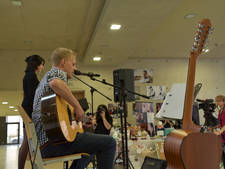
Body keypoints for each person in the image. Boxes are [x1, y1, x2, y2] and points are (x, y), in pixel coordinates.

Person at [32, 48, 116, 169]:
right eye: (73, 64)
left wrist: (81, 120)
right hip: (53, 143)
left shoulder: (46, 81)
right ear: (63, 62)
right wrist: (77, 107)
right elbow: (55, 83)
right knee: (109, 142)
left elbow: (59, 121)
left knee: (91, 146)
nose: (75, 68)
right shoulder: (56, 73)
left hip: (45, 145)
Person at [18, 55, 45, 169]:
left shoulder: (29, 76)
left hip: (28, 109)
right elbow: (32, 96)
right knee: (27, 142)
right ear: (37, 64)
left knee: (29, 142)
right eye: (42, 64)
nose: (42, 67)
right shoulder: (31, 76)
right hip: (29, 110)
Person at [213, 95, 225, 167]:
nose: (217, 102)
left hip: (223, 133)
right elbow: (221, 123)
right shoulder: (220, 110)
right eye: (216, 101)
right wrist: (214, 127)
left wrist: (219, 132)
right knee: (222, 153)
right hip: (223, 135)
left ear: (224, 102)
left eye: (219, 101)